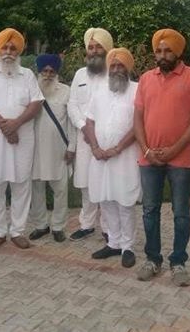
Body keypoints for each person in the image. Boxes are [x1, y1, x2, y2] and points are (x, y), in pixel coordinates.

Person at [134, 28, 190, 286]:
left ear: (178, 52)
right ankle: (152, 259)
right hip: (149, 159)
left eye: (167, 51)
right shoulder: (146, 79)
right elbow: (137, 118)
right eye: (158, 51)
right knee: (149, 210)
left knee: (181, 213)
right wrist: (146, 150)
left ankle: (178, 262)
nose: (162, 55)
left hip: (180, 159)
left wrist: (174, 149)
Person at [0, 28, 43, 250]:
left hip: (22, 140)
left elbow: (36, 103)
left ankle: (17, 231)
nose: (8, 52)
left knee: (21, 184)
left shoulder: (28, 75)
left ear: (19, 51)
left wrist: (16, 123)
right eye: (4, 47)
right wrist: (6, 127)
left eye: (13, 48)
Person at [84, 48, 141, 268]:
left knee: (124, 202)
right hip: (99, 157)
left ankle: (127, 247)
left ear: (128, 68)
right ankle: (114, 243)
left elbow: (138, 126)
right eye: (113, 65)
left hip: (125, 157)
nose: (116, 69)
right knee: (106, 200)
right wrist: (95, 147)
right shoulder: (99, 91)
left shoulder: (137, 90)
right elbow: (89, 121)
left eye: (121, 65)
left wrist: (117, 148)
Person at [67, 28, 113, 241]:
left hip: (105, 138)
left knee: (105, 182)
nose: (94, 51)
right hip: (84, 137)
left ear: (107, 49)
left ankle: (108, 227)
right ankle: (86, 224)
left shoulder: (115, 73)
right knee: (85, 183)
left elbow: (118, 105)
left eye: (98, 47)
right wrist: (83, 126)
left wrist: (97, 130)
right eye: (91, 47)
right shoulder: (80, 74)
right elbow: (73, 104)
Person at [28, 54, 76, 243]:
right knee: (37, 189)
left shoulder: (66, 91)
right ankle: (40, 225)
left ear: (56, 73)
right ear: (38, 72)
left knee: (61, 190)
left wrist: (72, 147)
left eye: (51, 71)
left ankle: (58, 226)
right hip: (34, 150)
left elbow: (72, 122)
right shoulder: (31, 91)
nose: (48, 75)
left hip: (59, 150)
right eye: (44, 71)